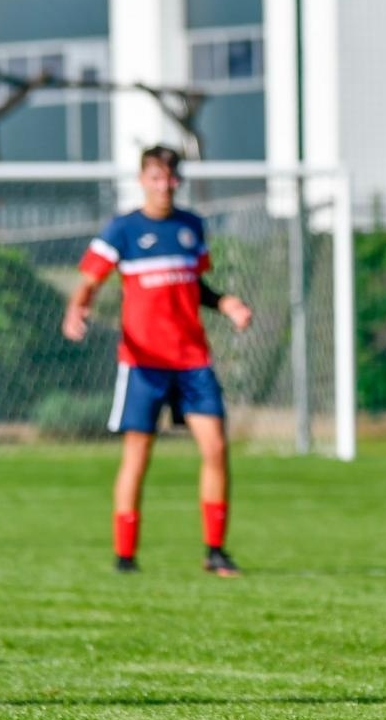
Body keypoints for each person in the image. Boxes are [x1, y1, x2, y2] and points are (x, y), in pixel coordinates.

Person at [62, 145, 253, 576]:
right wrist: (77, 309)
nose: (163, 185)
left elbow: (194, 285)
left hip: (192, 360)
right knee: (138, 455)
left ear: (177, 181)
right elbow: (90, 281)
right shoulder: (123, 229)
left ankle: (215, 552)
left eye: (169, 178)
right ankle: (125, 556)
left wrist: (226, 303)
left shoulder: (191, 226)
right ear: (142, 180)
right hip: (144, 362)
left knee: (217, 448)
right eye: (154, 177)